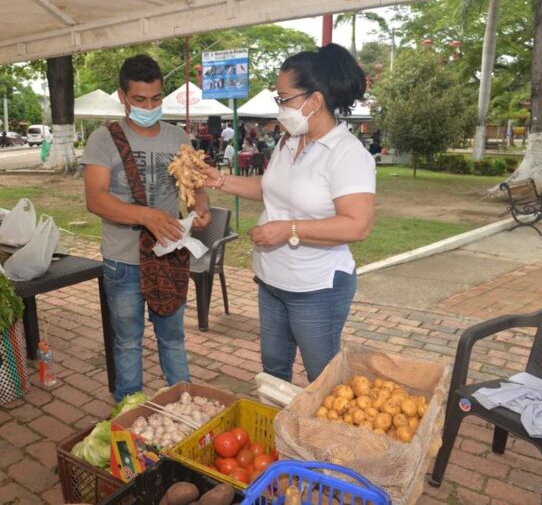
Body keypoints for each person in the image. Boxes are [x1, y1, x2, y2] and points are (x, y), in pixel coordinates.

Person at [197, 43, 375, 383]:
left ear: (315, 100)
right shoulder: (289, 142)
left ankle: (318, 437)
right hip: (272, 280)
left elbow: (358, 224)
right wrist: (219, 180)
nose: (279, 108)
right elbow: (271, 187)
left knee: (322, 380)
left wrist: (289, 229)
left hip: (316, 288)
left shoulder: (346, 153)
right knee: (274, 372)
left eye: (284, 98)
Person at [81, 54, 212, 401]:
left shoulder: (177, 136)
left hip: (169, 258)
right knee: (127, 342)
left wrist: (201, 208)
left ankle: (185, 407)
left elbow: (196, 185)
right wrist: (146, 216)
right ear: (122, 97)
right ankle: (129, 413)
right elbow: (95, 199)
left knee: (172, 339)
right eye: (140, 99)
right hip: (123, 262)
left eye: (156, 98)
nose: (149, 106)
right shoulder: (104, 139)